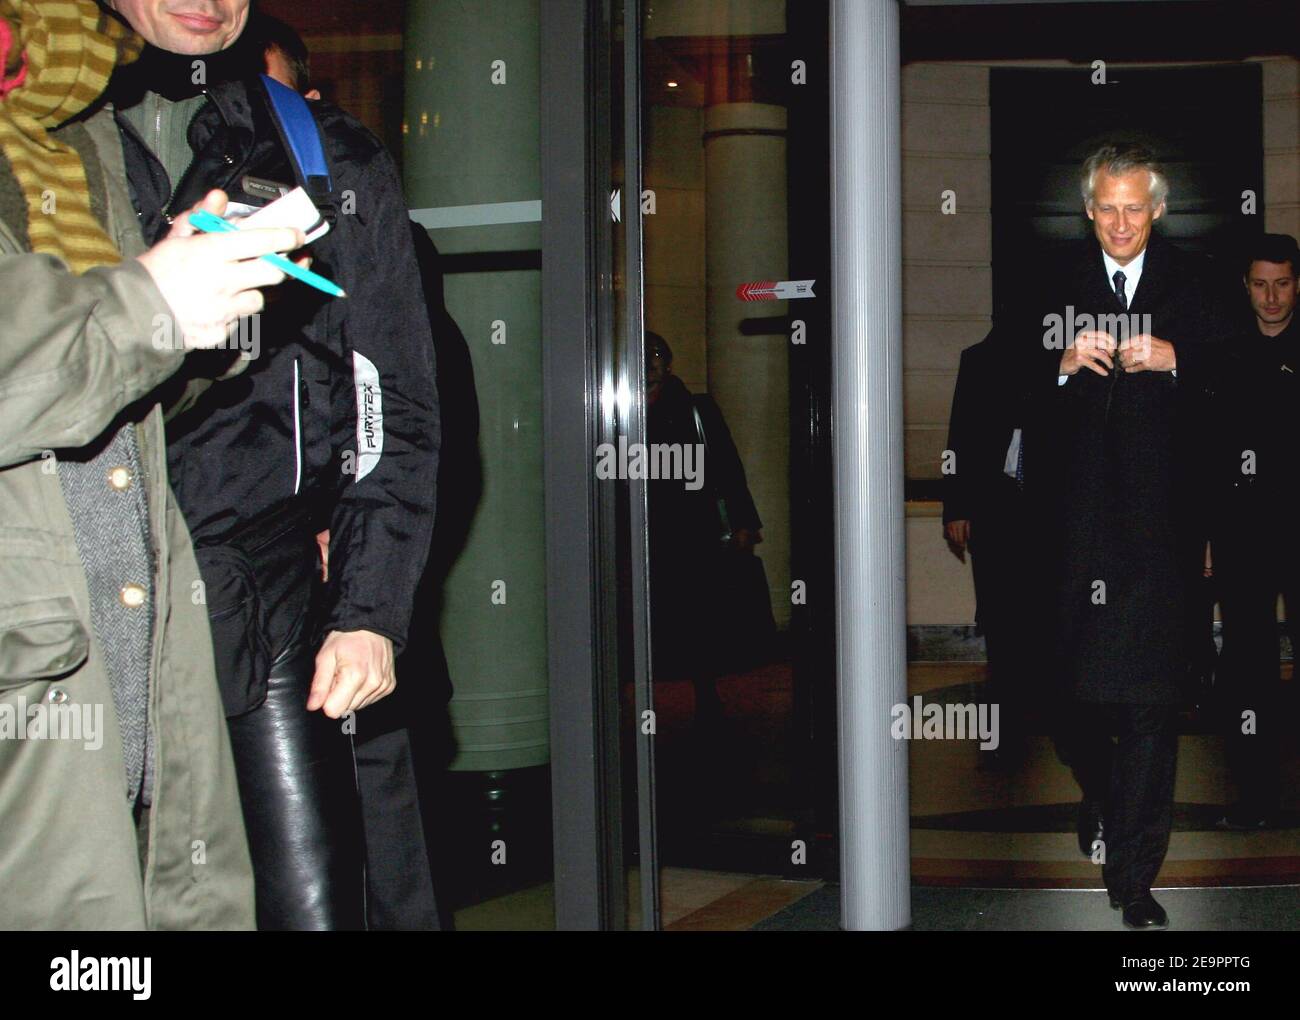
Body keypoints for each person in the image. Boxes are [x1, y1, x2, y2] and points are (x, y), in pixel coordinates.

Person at [102, 0, 441, 929]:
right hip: (78, 611)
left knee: (309, 904)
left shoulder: (324, 156)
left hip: (264, 599)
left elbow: (392, 398)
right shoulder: (45, 149)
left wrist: (371, 611)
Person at [0, 0, 304, 929]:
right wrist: (156, 302)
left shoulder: (76, 133)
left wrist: (205, 319)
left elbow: (108, 395)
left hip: (136, 634)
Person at [256, 12, 468, 930]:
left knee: (375, 835)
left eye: (266, 100)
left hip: (345, 590)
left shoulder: (373, 231)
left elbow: (422, 419)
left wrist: (368, 576)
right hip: (235, 591)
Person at [1021, 143, 1233, 929]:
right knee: (1075, 704)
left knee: (1148, 706)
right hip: (1074, 538)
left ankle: (1136, 876)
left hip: (1159, 538)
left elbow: (1241, 382)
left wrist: (1180, 360)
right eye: (1106, 208)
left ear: (1157, 212)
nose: (1119, 222)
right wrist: (1059, 363)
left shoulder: (1199, 289)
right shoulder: (1052, 288)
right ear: (1087, 211)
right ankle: (1102, 798)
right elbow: (1003, 389)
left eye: (1133, 208)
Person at [1206, 233, 1300, 830]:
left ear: (1298, 285)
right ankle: (1256, 794)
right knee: (1247, 660)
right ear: (1246, 286)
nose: (1271, 296)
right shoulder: (1223, 353)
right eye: (1260, 284)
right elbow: (1208, 452)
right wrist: (1210, 538)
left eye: (1282, 283)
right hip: (1242, 530)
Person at [645, 332, 769, 722]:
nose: (650, 363)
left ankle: (703, 686)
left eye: (657, 356)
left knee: (697, 609)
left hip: (691, 525)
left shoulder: (695, 408)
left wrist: (744, 522)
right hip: (647, 525)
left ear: (669, 363)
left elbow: (727, 466)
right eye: (645, 356)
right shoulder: (619, 408)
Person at [941, 326, 1038, 767]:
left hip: (1047, 509)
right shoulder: (980, 359)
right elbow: (961, 433)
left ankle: (1039, 703)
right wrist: (956, 508)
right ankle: (1007, 715)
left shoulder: (1062, 352)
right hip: (995, 507)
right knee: (999, 611)